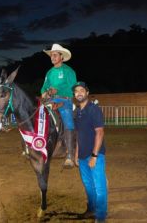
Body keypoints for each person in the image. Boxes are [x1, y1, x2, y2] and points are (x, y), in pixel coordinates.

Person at [73, 81, 108, 222]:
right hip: (81, 157)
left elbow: (100, 132)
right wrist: (76, 154)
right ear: (74, 95)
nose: (79, 93)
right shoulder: (77, 112)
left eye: (82, 90)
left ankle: (100, 217)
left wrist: (94, 155)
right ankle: (92, 209)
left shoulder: (94, 109)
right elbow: (78, 135)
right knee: (88, 186)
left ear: (87, 93)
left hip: (95, 156)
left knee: (99, 187)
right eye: (76, 91)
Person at [41, 43, 77, 168]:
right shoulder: (49, 73)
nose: (52, 57)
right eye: (51, 55)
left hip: (65, 100)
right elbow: (43, 89)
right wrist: (46, 93)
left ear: (61, 57)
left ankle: (69, 155)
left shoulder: (69, 71)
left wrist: (59, 92)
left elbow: (73, 88)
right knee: (38, 115)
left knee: (67, 120)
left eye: (55, 55)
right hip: (50, 100)